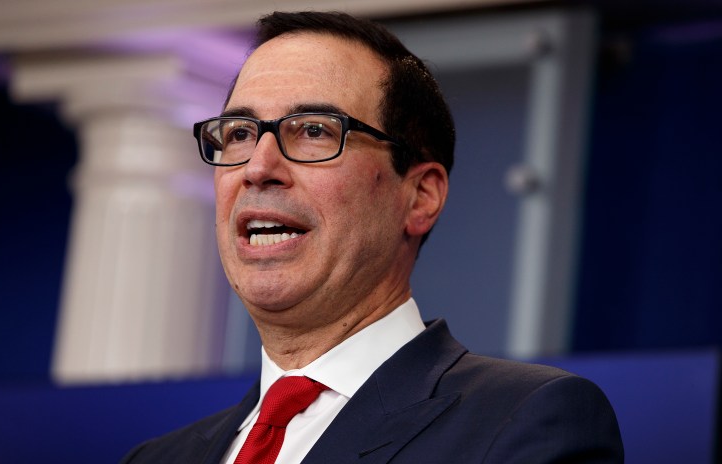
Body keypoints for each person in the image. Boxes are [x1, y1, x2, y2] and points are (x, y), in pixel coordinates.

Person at [122, 10, 623, 464]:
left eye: (314, 130)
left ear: (420, 196)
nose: (258, 167)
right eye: (239, 133)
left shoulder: (522, 422)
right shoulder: (156, 458)